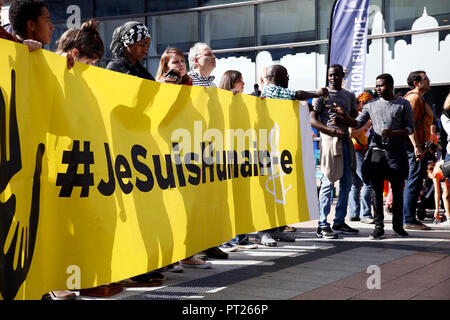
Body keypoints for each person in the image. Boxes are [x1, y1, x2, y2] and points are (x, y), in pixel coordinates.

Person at [256, 64, 329, 245]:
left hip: (282, 149)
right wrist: (317, 92)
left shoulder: (277, 90)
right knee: (268, 191)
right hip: (269, 148)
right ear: (277, 76)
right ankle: (264, 232)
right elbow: (296, 95)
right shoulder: (272, 90)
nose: (288, 79)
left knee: (280, 191)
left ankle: (277, 229)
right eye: (286, 75)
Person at [155, 47, 212, 269]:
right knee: (171, 207)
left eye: (181, 62)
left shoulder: (191, 85)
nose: (180, 65)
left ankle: (187, 253)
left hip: (190, 150)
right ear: (165, 67)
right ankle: (168, 256)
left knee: (189, 206)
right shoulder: (159, 85)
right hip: (167, 151)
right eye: (174, 63)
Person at [356, 73, 418, 240]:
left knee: (397, 191)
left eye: (381, 85)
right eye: (376, 86)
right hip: (376, 152)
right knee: (376, 191)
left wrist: (393, 133)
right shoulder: (371, 104)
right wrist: (343, 117)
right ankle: (378, 227)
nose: (378, 89)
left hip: (397, 153)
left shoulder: (403, 104)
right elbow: (357, 123)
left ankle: (398, 226)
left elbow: (410, 129)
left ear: (390, 86)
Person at [186, 42, 230, 260]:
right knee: (196, 200)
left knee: (211, 198)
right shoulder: (188, 81)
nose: (214, 57)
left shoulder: (212, 84)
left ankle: (209, 242)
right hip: (193, 145)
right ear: (196, 60)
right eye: (208, 54)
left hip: (211, 146)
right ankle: (194, 245)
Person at [310, 64, 359, 239]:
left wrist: (343, 116)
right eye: (330, 75)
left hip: (345, 139)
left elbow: (355, 122)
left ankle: (339, 222)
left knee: (347, 183)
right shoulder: (321, 95)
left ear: (342, 76)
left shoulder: (349, 95)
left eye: (336, 75)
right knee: (328, 182)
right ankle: (322, 225)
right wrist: (332, 131)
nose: (332, 78)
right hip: (330, 140)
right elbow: (313, 120)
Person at [218, 70, 258, 250]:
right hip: (225, 156)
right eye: (240, 81)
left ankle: (241, 237)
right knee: (228, 199)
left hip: (242, 155)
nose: (244, 84)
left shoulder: (243, 102)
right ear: (230, 82)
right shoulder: (221, 101)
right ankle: (227, 238)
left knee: (243, 198)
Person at [402, 71, 434, 231]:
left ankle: (409, 217)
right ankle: (408, 219)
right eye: (426, 79)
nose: (429, 81)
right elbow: (409, 125)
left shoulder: (419, 98)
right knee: (413, 181)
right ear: (416, 82)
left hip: (421, 147)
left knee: (414, 181)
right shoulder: (414, 99)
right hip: (415, 148)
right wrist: (416, 147)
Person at [348, 91, 374, 224]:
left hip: (363, 151)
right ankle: (366, 214)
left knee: (356, 184)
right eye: (362, 102)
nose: (364, 104)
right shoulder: (356, 117)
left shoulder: (369, 115)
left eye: (367, 102)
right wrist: (365, 126)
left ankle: (354, 213)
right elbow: (351, 134)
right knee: (367, 182)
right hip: (356, 150)